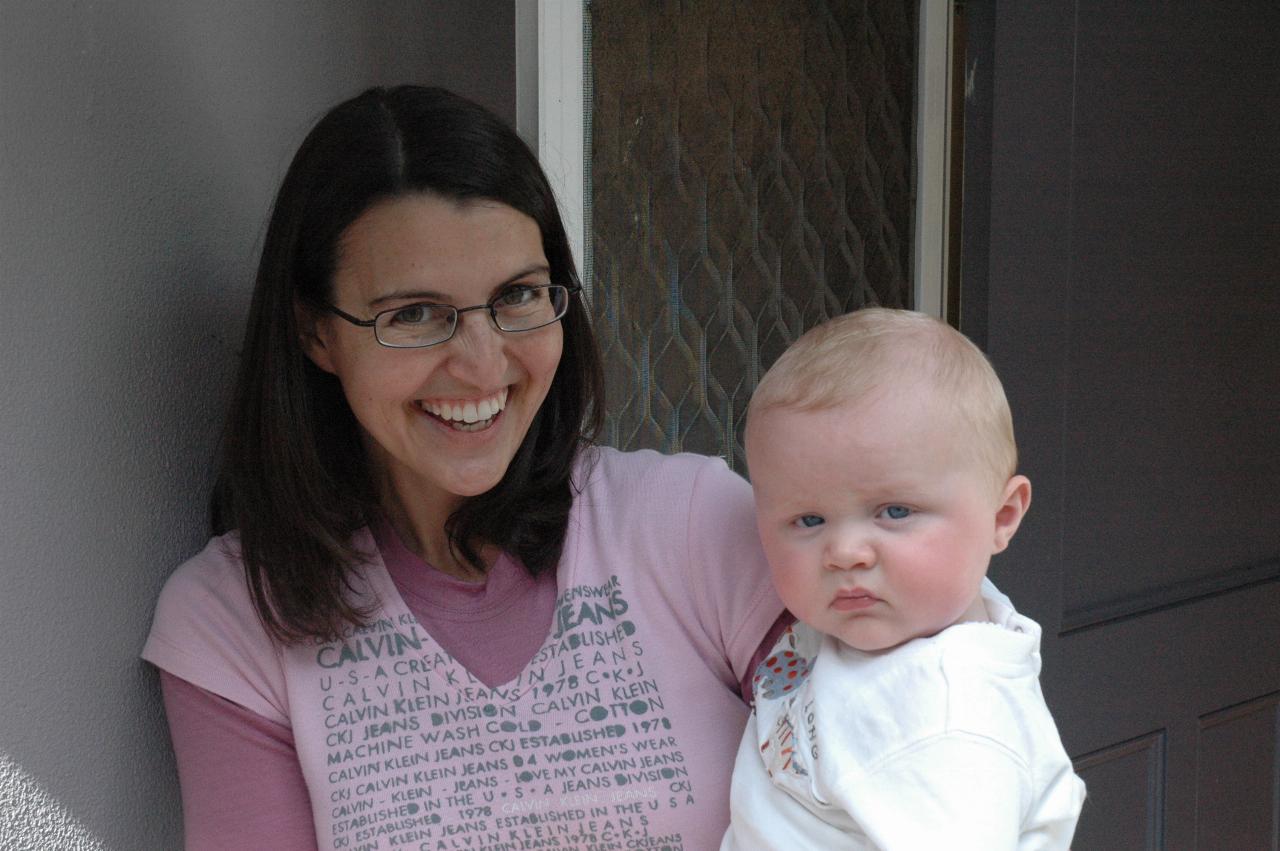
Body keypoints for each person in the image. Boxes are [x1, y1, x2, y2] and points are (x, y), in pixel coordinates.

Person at [143, 85, 784, 850]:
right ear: (316, 334)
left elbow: (891, 761)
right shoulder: (235, 618)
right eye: (414, 313)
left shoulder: (694, 525)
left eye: (517, 296)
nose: (483, 365)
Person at [722, 308, 1086, 849]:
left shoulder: (949, 723)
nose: (843, 553)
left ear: (1001, 517)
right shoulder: (914, 617)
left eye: (895, 511)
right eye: (809, 520)